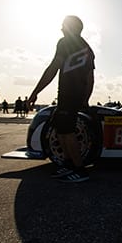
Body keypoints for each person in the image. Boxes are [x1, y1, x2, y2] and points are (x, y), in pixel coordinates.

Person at [28, 15, 95, 183]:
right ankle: (68, 163)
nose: (61, 28)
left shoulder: (65, 42)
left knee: (67, 131)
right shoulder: (88, 48)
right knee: (60, 129)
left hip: (68, 94)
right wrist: (85, 99)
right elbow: (90, 78)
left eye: (63, 26)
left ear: (70, 27)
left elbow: (52, 68)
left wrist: (36, 91)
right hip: (75, 95)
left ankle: (80, 170)